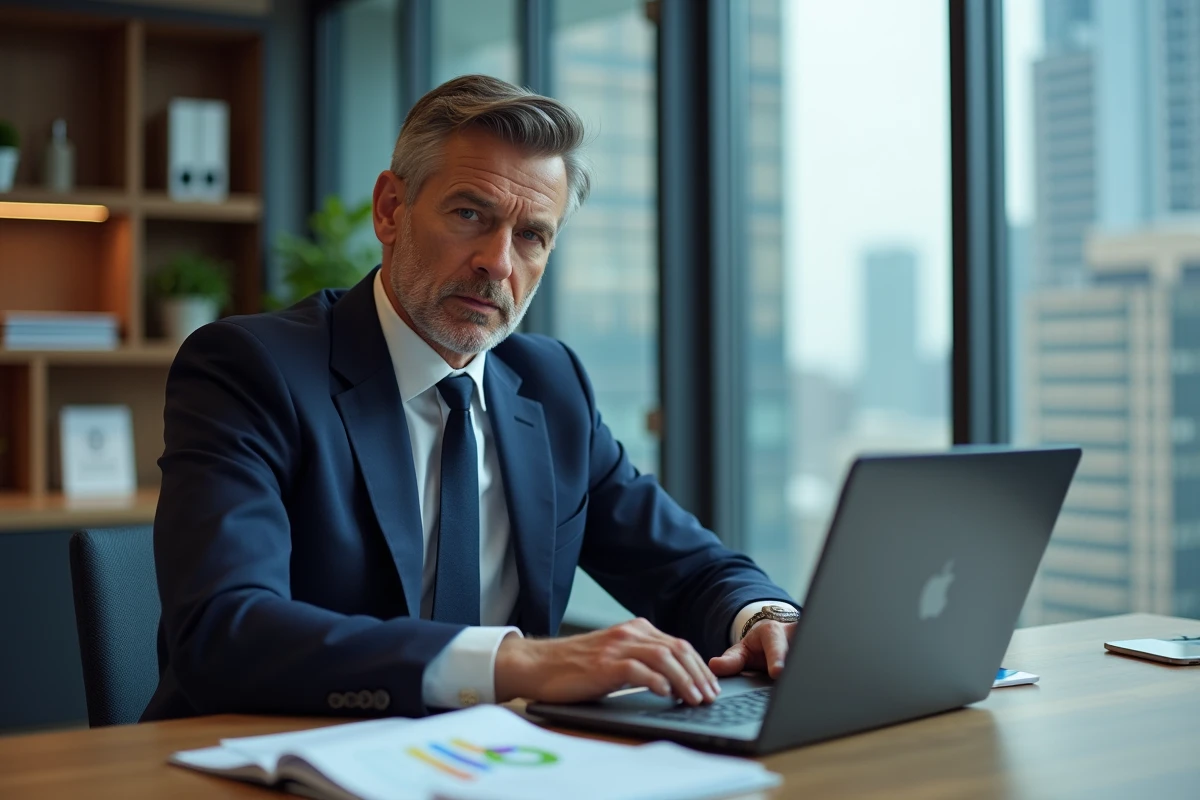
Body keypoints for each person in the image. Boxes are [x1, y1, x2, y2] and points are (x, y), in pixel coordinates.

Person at [142, 75, 799, 722]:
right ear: (390, 210)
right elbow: (224, 631)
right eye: (469, 214)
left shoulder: (551, 384)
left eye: (532, 235)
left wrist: (767, 618)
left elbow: (686, 567)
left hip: (489, 767)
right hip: (263, 764)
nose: (498, 263)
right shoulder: (251, 370)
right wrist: (518, 665)